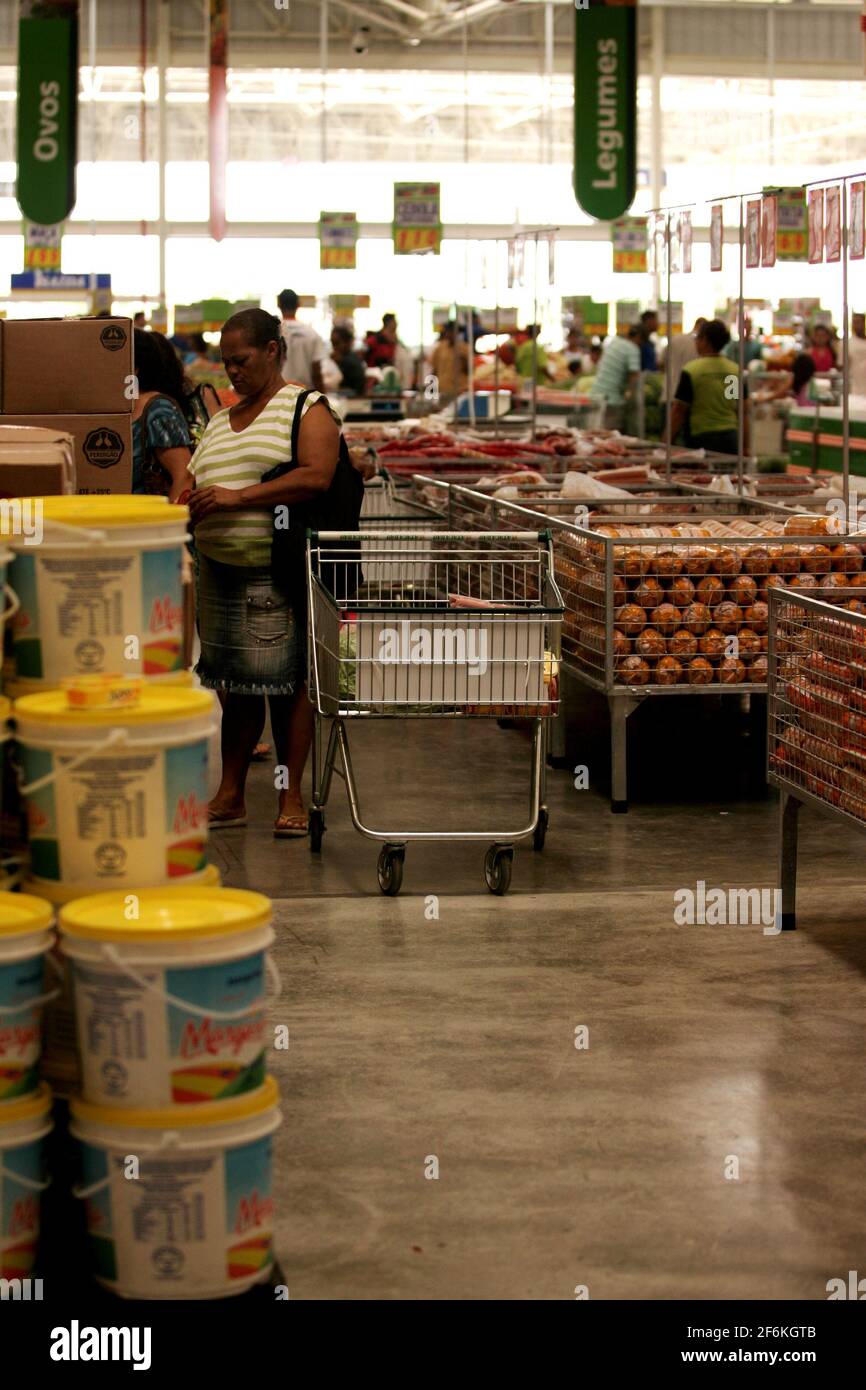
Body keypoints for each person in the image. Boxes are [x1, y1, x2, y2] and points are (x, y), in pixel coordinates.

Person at [188, 308, 342, 838]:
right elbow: (196, 479)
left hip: (271, 571)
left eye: (242, 360)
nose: (232, 371)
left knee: (285, 682)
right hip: (219, 572)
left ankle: (290, 793)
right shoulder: (218, 419)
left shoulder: (305, 407)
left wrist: (238, 498)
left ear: (273, 351)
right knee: (236, 685)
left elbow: (317, 476)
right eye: (226, 363)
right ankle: (230, 794)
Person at [668, 317, 749, 460]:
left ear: (704, 340)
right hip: (730, 437)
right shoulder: (734, 370)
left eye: (697, 338)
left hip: (702, 437)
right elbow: (742, 411)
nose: (696, 343)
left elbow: (678, 412)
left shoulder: (692, 370)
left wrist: (666, 442)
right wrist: (745, 446)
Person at [131, 328, 193, 499]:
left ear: (134, 368)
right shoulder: (111, 409)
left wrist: (171, 521)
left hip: (146, 520)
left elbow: (185, 476)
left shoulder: (158, 410)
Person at [589, 325, 642, 429]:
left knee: (597, 432)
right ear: (638, 337)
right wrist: (631, 396)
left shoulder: (614, 343)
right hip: (612, 398)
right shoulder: (633, 348)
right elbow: (634, 376)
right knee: (610, 436)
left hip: (596, 395)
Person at [277, 288, 327, 391]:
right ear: (298, 305)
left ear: (279, 305)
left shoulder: (273, 333)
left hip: (277, 395)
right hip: (305, 396)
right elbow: (316, 371)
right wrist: (322, 397)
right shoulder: (312, 334)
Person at [431, 320, 469, 399]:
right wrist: (432, 388)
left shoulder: (464, 348)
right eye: (448, 331)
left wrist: (462, 357)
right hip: (442, 390)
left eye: (452, 331)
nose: (450, 334)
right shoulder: (440, 348)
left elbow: (469, 370)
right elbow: (434, 370)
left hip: (459, 390)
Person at [330, 324, 367, 396]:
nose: (334, 347)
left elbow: (357, 389)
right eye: (332, 343)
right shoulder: (337, 359)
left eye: (337, 343)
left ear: (347, 342)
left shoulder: (351, 361)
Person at [849, 312, 866, 397]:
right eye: (854, 322)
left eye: (858, 322)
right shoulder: (847, 344)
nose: (856, 325)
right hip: (855, 389)